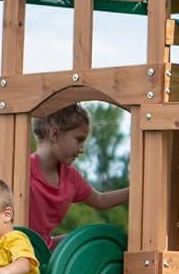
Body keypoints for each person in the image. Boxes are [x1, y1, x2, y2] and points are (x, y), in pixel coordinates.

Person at [28, 104, 129, 249]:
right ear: (55, 134)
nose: (82, 149)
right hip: (15, 249)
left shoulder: (70, 177)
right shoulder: (23, 169)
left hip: (42, 248)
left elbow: (100, 200)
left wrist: (136, 192)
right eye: (79, 139)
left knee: (92, 243)